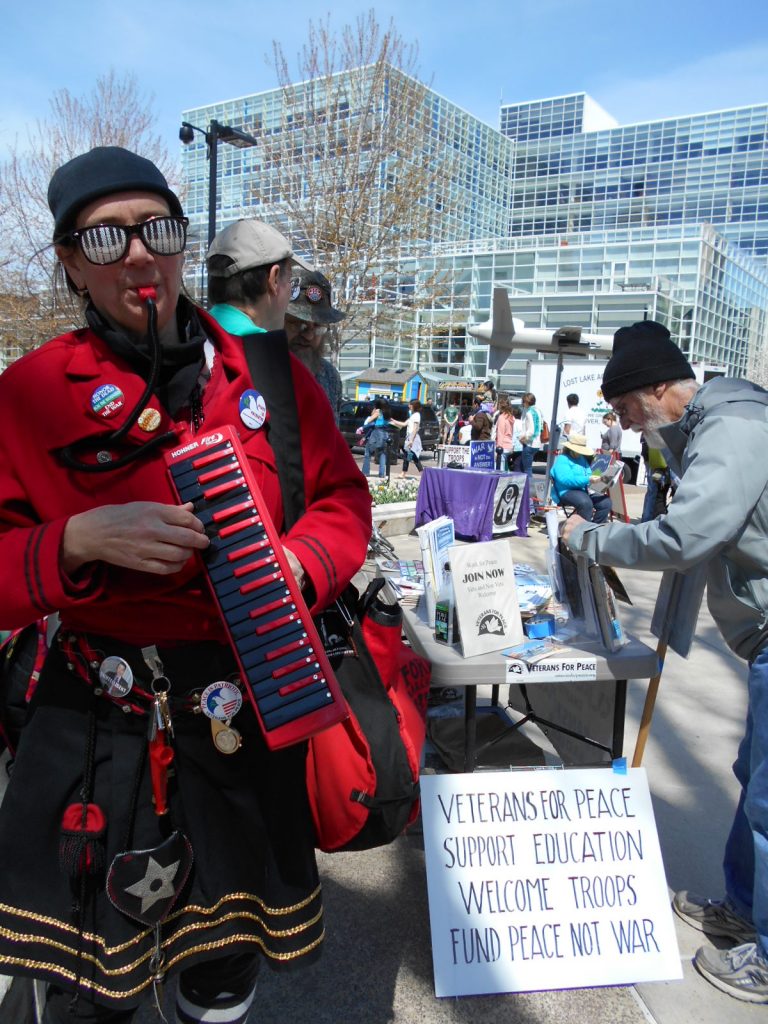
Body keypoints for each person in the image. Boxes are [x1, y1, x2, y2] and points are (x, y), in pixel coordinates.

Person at [0, 147, 371, 1023]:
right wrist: (74, 541)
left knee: (223, 971)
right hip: (95, 718)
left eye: (158, 229)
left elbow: (343, 501)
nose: (138, 255)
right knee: (92, 983)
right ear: (66, 261)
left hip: (249, 705)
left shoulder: (272, 378)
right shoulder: (28, 394)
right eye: (105, 238)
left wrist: (298, 562)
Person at [561, 319, 768, 1004]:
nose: (626, 425)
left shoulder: (732, 428)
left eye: (626, 411)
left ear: (657, 389)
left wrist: (592, 539)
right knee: (754, 776)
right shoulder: (708, 427)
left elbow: (687, 535)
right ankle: (744, 909)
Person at [284, 268, 346, 424]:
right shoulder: (255, 369)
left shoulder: (330, 376)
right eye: (298, 324)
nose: (309, 335)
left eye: (318, 327)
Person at [549, 434, 611, 523]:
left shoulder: (582, 458)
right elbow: (566, 480)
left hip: (583, 490)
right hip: (565, 491)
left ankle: (596, 528)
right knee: (585, 503)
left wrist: (599, 479)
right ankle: (583, 531)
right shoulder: (562, 459)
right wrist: (588, 479)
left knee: (606, 502)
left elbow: (588, 473)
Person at [360, 399, 393, 478]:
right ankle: (381, 474)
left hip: (377, 432)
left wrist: (374, 410)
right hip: (385, 433)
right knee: (382, 453)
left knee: (368, 451)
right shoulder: (388, 412)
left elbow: (369, 420)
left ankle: (365, 472)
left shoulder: (378, 411)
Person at [392, 399, 423, 476]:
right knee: (408, 456)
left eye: (410, 404)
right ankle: (404, 473)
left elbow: (416, 428)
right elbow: (404, 424)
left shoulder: (416, 415)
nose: (409, 406)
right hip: (409, 437)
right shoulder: (412, 415)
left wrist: (411, 440)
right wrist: (393, 421)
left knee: (413, 456)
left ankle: (422, 473)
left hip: (413, 437)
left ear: (414, 406)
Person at [518, 392, 543, 482]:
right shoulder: (538, 411)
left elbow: (531, 431)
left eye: (523, 402)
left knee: (527, 470)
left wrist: (522, 439)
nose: (523, 404)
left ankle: (530, 491)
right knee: (526, 467)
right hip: (537, 443)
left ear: (526, 402)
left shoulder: (529, 412)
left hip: (529, 443)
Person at [494, 397, 516, 470]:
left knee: (500, 468)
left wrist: (498, 449)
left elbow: (500, 433)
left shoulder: (502, 417)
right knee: (505, 467)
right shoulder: (511, 417)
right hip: (509, 444)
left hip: (502, 445)